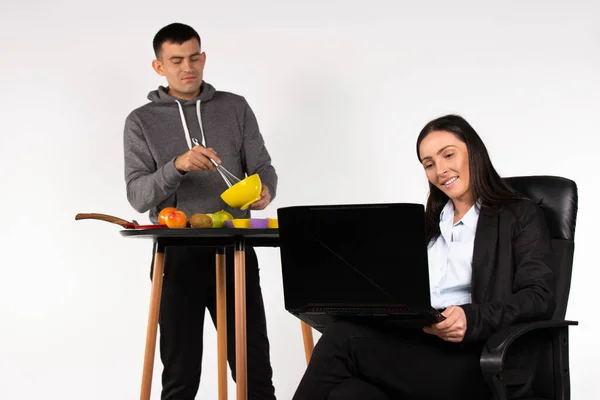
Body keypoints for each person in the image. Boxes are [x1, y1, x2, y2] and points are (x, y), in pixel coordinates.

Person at [291, 114, 555, 400]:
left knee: (342, 339)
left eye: (448, 155)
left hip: (476, 356)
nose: (440, 170)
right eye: (429, 164)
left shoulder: (518, 214)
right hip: (419, 344)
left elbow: (539, 296)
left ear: (474, 152)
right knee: (348, 394)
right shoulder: (428, 225)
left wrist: (471, 317)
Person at [123, 23, 278, 400]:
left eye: (194, 57)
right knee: (180, 375)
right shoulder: (141, 121)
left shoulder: (234, 107)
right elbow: (138, 195)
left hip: (236, 247)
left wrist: (266, 190)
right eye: (176, 60)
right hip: (177, 253)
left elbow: (262, 167)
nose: (187, 67)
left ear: (204, 58)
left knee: (252, 368)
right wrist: (177, 165)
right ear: (159, 67)